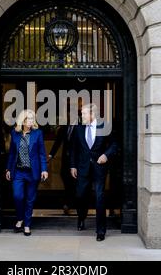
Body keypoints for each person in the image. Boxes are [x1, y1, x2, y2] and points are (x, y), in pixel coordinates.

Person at [70, 103, 117, 242]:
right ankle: (81, 217)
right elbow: (73, 149)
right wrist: (73, 166)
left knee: (99, 197)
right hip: (82, 167)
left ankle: (100, 231)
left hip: (99, 168)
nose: (82, 116)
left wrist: (106, 155)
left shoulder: (105, 126)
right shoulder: (78, 129)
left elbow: (114, 144)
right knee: (80, 195)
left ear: (92, 114)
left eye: (84, 113)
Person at [5, 109, 48, 236]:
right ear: (22, 121)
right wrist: (8, 168)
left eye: (32, 119)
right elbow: (12, 153)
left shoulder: (38, 133)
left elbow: (41, 153)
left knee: (30, 199)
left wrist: (44, 169)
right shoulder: (15, 133)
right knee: (18, 196)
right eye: (28, 119)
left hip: (32, 172)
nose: (30, 122)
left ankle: (27, 225)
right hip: (18, 171)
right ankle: (20, 218)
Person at [48, 117, 78, 215]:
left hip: (78, 160)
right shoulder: (64, 127)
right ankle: (69, 201)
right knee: (65, 177)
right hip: (66, 159)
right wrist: (51, 155)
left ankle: (71, 203)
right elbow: (58, 142)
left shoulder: (81, 126)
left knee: (75, 182)